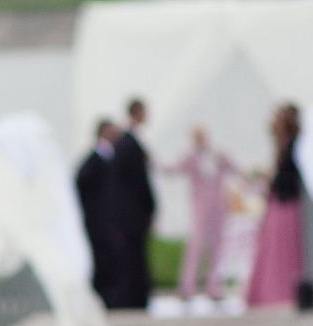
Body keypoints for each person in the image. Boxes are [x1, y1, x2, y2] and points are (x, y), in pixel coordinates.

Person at [245, 103, 306, 310]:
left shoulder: (296, 146)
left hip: (286, 204)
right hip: (278, 203)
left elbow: (293, 178)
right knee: (271, 250)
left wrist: (274, 181)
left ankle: (280, 291)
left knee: (283, 251)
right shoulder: (284, 145)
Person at [168, 126, 238, 304]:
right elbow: (173, 169)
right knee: (195, 246)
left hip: (217, 207)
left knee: (218, 245)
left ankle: (213, 285)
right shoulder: (190, 157)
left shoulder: (217, 155)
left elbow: (235, 169)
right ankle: (187, 286)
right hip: (200, 208)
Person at [112, 98, 157, 308]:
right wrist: (151, 206)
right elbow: (139, 181)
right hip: (133, 213)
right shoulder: (129, 142)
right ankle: (134, 298)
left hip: (129, 213)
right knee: (133, 257)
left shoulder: (125, 141)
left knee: (134, 257)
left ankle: (134, 297)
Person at [78, 121, 125, 308]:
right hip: (99, 223)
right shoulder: (95, 160)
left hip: (106, 222)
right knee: (101, 262)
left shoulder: (108, 157)